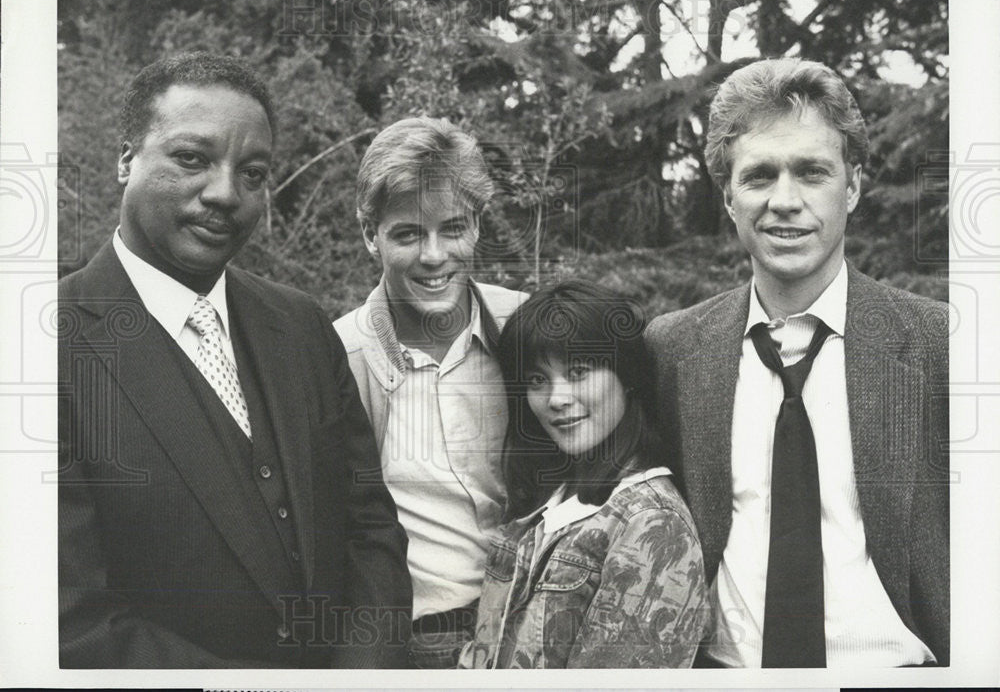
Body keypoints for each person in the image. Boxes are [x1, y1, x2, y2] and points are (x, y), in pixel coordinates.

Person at [58, 52, 411, 668]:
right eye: (191, 158)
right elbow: (71, 625)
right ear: (125, 161)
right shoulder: (42, 349)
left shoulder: (300, 323)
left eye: (252, 172)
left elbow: (370, 531)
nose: (226, 193)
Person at [645, 58, 949, 668]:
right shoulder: (670, 349)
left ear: (853, 186)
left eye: (812, 172)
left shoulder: (944, 342)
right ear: (728, 197)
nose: (785, 201)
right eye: (758, 176)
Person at [333, 117, 526, 668]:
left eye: (453, 228)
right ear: (371, 234)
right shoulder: (335, 357)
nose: (435, 256)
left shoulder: (524, 327)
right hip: (418, 642)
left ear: (478, 225)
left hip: (534, 615)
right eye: (408, 234)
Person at [459, 281, 709, 669]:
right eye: (538, 380)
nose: (556, 398)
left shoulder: (653, 524)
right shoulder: (545, 498)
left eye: (578, 372)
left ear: (626, 375)